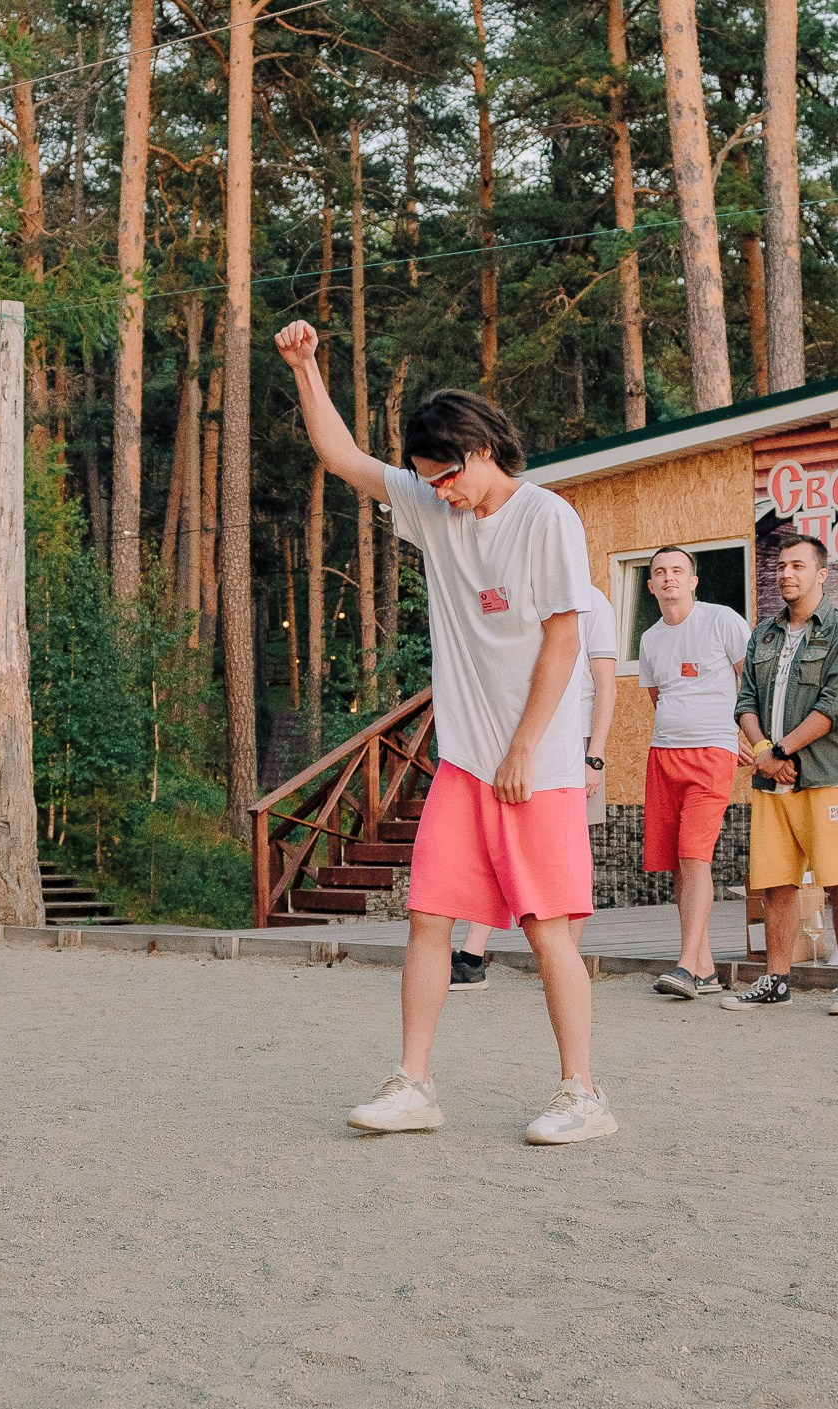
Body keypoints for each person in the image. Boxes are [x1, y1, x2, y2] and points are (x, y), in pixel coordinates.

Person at [274, 318, 614, 1146]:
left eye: (448, 477)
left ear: (484, 450)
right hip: (465, 761)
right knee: (428, 915)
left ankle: (582, 1094)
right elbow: (345, 459)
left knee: (545, 929)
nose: (441, 493)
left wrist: (530, 743)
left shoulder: (548, 519)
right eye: (428, 481)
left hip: (537, 766)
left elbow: (566, 639)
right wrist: (306, 368)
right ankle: (414, 1084)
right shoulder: (434, 509)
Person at [721, 533, 838, 1015]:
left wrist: (782, 749)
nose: (786, 574)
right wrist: (765, 751)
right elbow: (745, 702)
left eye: (798, 566)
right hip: (773, 779)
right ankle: (776, 978)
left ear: (821, 574)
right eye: (782, 566)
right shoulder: (763, 633)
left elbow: (837, 706)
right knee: (775, 882)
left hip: (827, 775)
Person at [451, 584, 615, 992]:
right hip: (515, 737)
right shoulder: (520, 595)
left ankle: (565, 963)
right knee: (499, 844)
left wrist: (593, 756)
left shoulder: (594, 603)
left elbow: (606, 685)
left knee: (567, 855)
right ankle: (472, 956)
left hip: (570, 741)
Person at [636, 546, 751, 998]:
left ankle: (684, 965)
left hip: (713, 754)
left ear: (693, 580)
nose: (668, 578)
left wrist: (748, 736)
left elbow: (750, 682)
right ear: (650, 585)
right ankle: (703, 969)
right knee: (678, 867)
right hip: (664, 755)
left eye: (677, 571)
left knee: (694, 857)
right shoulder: (649, 639)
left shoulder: (722, 620)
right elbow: (658, 697)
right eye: (660, 572)